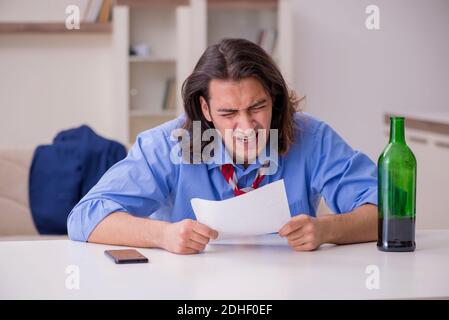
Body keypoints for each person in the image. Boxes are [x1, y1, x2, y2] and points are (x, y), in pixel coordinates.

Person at [67, 38, 378, 254]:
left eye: (257, 108)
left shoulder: (311, 136)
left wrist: (327, 230)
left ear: (274, 98)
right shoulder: (171, 143)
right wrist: (163, 234)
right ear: (204, 110)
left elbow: (389, 214)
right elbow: (86, 217)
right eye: (228, 113)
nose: (245, 127)